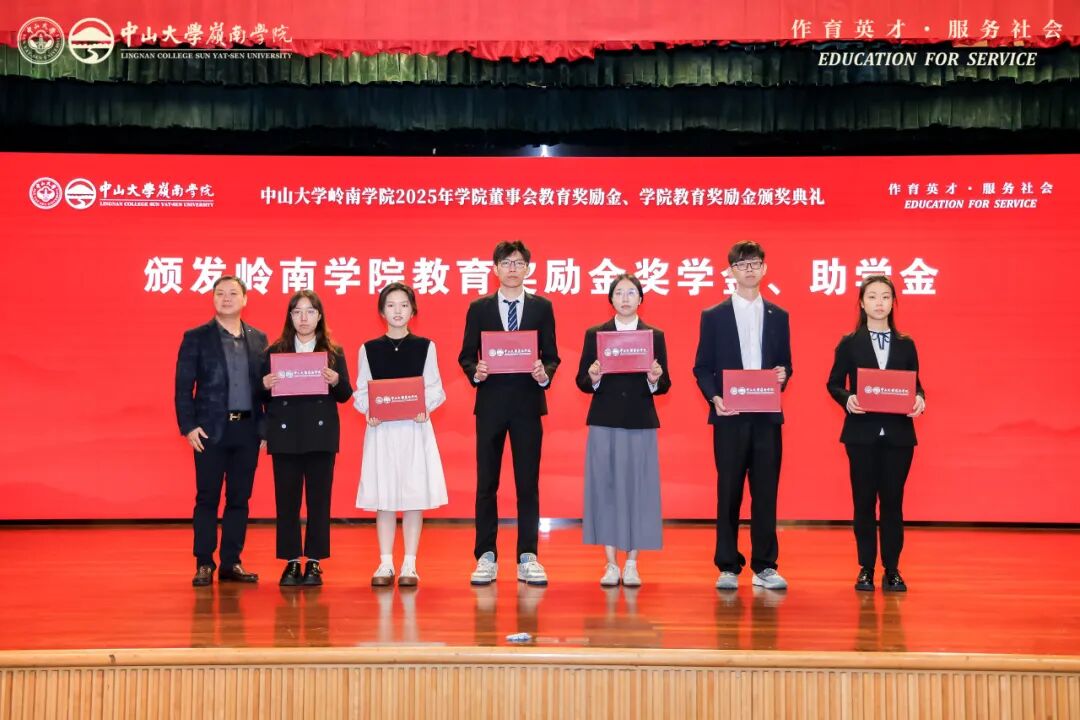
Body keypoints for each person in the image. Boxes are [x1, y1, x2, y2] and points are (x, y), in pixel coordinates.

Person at [458, 240, 560, 586]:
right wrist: (476, 371)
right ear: (495, 269)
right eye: (506, 263)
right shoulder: (479, 308)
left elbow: (552, 355)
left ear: (528, 268)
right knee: (487, 482)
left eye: (518, 263)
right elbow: (466, 355)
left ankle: (528, 556)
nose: (512, 269)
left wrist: (544, 373)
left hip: (528, 405)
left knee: (527, 483)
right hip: (490, 405)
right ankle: (485, 555)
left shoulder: (542, 307)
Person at [692, 241, 792, 591]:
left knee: (766, 492)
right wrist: (714, 397)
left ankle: (765, 566)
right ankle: (727, 565)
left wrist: (783, 375)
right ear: (731, 271)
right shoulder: (714, 315)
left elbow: (785, 365)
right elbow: (701, 367)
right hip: (730, 416)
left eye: (755, 263)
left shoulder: (779, 315)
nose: (749, 269)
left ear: (764, 268)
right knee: (729, 490)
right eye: (742, 264)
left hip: (766, 416)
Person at [826, 275, 925, 592]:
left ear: (893, 303)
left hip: (899, 436)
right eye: (872, 296)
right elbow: (834, 383)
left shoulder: (906, 343)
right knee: (864, 502)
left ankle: (892, 569)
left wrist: (919, 399)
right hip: (861, 435)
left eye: (885, 296)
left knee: (893, 503)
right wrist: (848, 399)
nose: (879, 302)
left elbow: (915, 384)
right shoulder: (849, 342)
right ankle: (866, 568)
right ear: (861, 302)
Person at [575, 274, 670, 587]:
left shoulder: (654, 335)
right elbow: (582, 380)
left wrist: (654, 378)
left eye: (631, 293)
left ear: (641, 299)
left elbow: (665, 383)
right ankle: (611, 563)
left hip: (640, 421)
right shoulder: (596, 334)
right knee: (606, 489)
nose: (625, 298)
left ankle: (632, 564)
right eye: (619, 293)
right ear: (611, 299)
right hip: (604, 420)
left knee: (638, 490)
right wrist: (594, 376)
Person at [175, 276, 267, 587]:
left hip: (247, 431)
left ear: (245, 299)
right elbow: (183, 387)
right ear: (213, 298)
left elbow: (265, 389)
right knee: (207, 498)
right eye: (220, 293)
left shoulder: (259, 339)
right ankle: (204, 562)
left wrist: (265, 428)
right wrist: (189, 426)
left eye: (233, 293)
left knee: (239, 499)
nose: (226, 298)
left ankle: (231, 562)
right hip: (210, 432)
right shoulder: (196, 337)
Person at [354, 283, 448, 587]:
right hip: (382, 430)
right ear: (382, 312)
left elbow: (435, 388)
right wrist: (370, 410)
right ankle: (385, 563)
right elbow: (361, 390)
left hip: (414, 428)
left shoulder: (426, 347)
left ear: (413, 310)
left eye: (404, 305)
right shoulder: (368, 349)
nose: (397, 311)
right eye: (391, 305)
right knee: (383, 497)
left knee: (412, 496)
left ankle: (410, 564)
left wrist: (425, 408)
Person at [261, 290, 353, 587]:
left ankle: (314, 561)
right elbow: (261, 396)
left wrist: (336, 380)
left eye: (310, 312)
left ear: (319, 316)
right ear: (290, 317)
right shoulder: (275, 351)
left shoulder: (333, 352)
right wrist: (264, 385)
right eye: (297, 312)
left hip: (320, 436)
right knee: (286, 502)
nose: (303, 318)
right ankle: (290, 561)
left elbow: (345, 394)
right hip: (285, 435)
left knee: (319, 501)